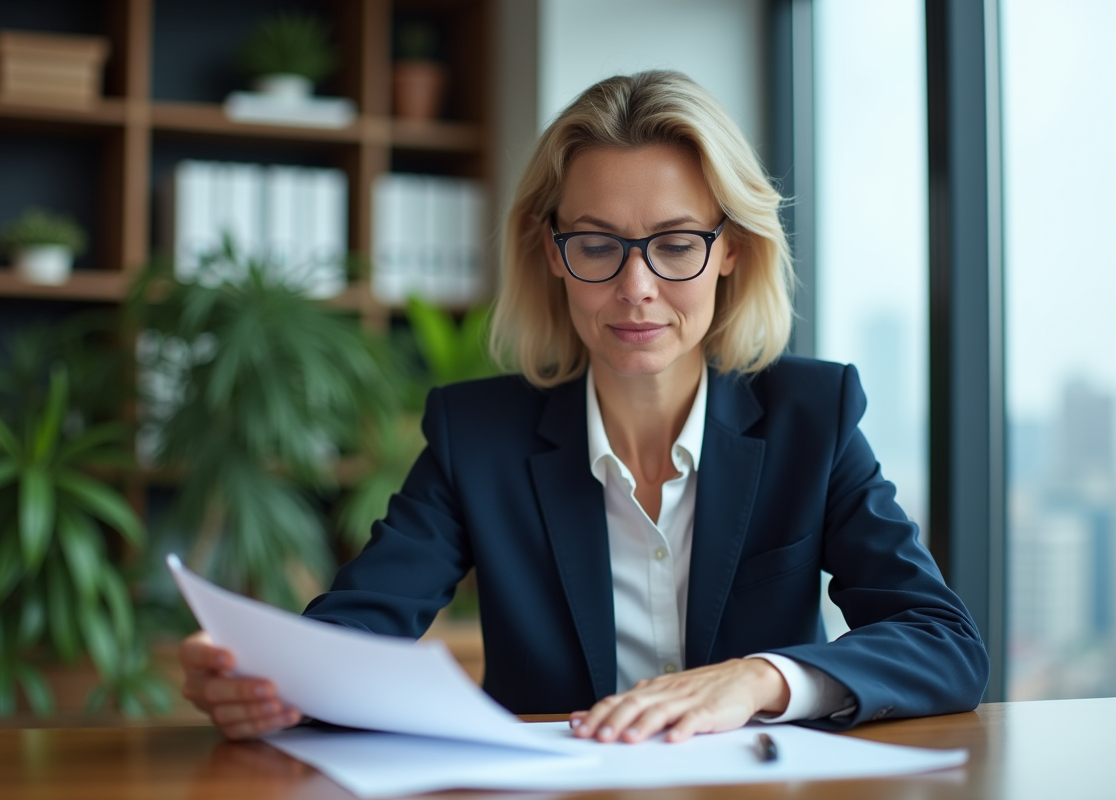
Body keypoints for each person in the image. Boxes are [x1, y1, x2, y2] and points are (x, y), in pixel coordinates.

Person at [179, 70, 989, 744]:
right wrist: (266, 682)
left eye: (676, 244)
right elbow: (355, 636)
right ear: (552, 253)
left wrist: (754, 680)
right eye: (598, 244)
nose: (636, 289)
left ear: (731, 251)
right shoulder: (479, 437)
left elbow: (944, 644)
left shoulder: (811, 416)